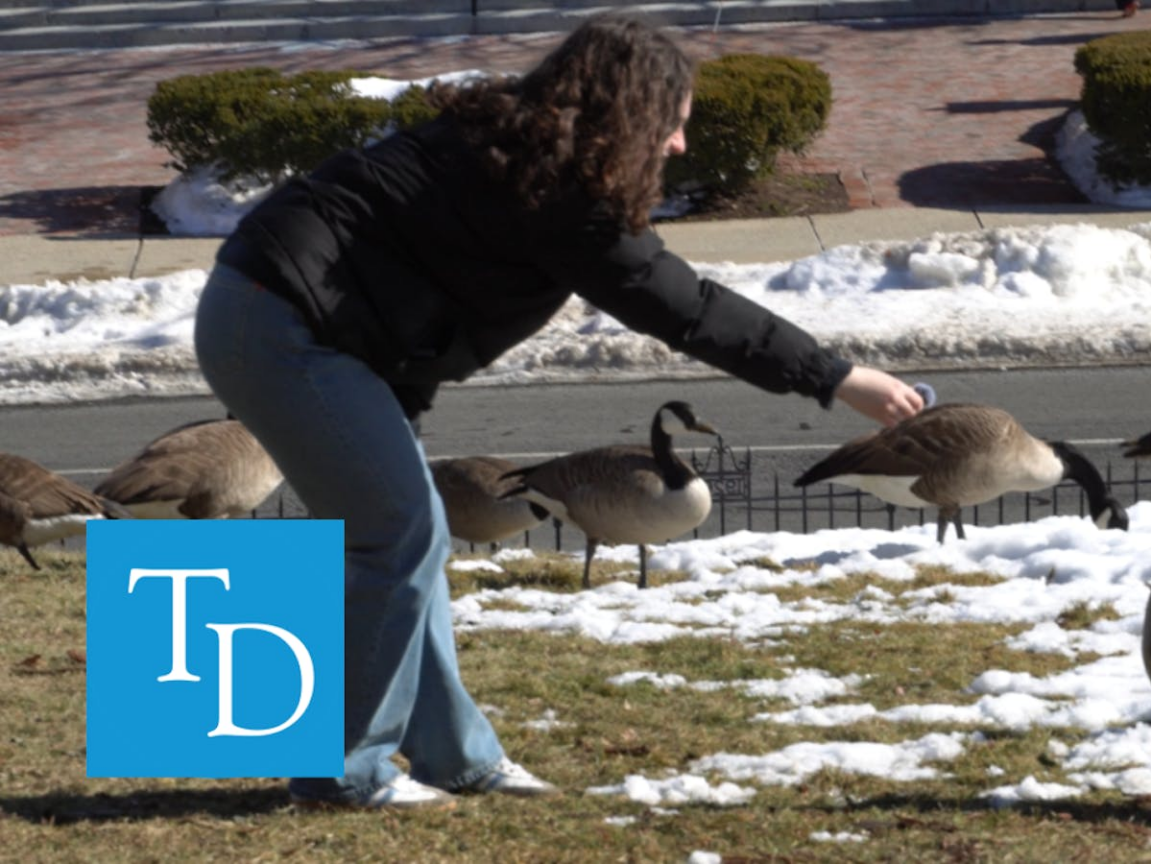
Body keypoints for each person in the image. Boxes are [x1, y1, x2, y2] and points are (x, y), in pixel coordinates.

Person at [194, 13, 925, 811]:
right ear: (630, 113)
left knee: (409, 538)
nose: (680, 144)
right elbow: (683, 305)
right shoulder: (560, 191)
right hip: (282, 323)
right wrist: (834, 376)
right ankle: (342, 773)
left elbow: (412, 272)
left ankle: (456, 759)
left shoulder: (512, 146)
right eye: (672, 123)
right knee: (400, 535)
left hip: (277, 312)